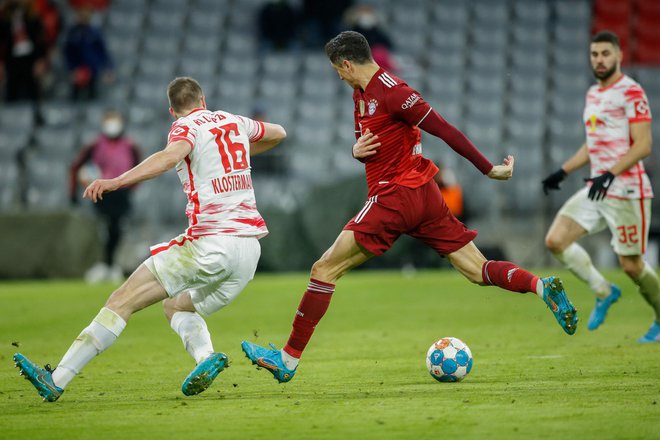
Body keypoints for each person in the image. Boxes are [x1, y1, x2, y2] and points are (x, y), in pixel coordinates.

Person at [241, 31, 579, 383]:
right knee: (477, 270)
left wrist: (488, 168)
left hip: (394, 196)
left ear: (346, 63)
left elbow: (444, 130)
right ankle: (542, 287)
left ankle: (287, 360)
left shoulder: (395, 92)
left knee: (324, 269)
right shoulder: (361, 94)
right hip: (423, 195)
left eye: (337, 70)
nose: (338, 77)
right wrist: (357, 152)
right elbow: (367, 143)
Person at [14, 77, 287, 401]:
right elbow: (279, 133)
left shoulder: (185, 127)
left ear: (172, 111)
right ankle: (205, 358)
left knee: (121, 300)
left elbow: (170, 157)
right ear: (203, 100)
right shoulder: (233, 120)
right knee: (177, 307)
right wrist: (240, 149)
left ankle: (56, 379)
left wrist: (117, 180)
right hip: (249, 250)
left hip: (213, 241)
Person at [542, 31, 660, 343]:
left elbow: (644, 145)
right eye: (594, 54)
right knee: (556, 240)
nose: (599, 60)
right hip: (598, 187)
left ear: (619, 56)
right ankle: (603, 290)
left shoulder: (631, 92)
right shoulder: (593, 94)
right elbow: (593, 145)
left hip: (627, 190)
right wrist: (563, 171)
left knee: (631, 265)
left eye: (606, 54)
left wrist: (609, 174)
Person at [69, 110, 140, 283]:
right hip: (102, 192)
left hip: (122, 193)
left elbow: (139, 168)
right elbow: (76, 167)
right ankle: (106, 264)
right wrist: (74, 191)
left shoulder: (130, 145)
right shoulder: (94, 145)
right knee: (105, 228)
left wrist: (131, 188)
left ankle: (109, 264)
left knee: (117, 229)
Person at [0, 0, 48, 103]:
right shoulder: (5, 15)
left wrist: (41, 59)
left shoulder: (33, 16)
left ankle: (36, 115)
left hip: (31, 59)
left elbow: (40, 40)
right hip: (12, 59)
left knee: (33, 90)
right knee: (12, 90)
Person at [63, 6, 113, 101]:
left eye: (86, 15)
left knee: (92, 96)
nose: (83, 17)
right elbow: (68, 53)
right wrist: (72, 69)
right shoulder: (72, 33)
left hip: (92, 70)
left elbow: (102, 52)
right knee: (75, 97)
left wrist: (108, 68)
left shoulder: (95, 33)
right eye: (81, 15)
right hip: (76, 70)